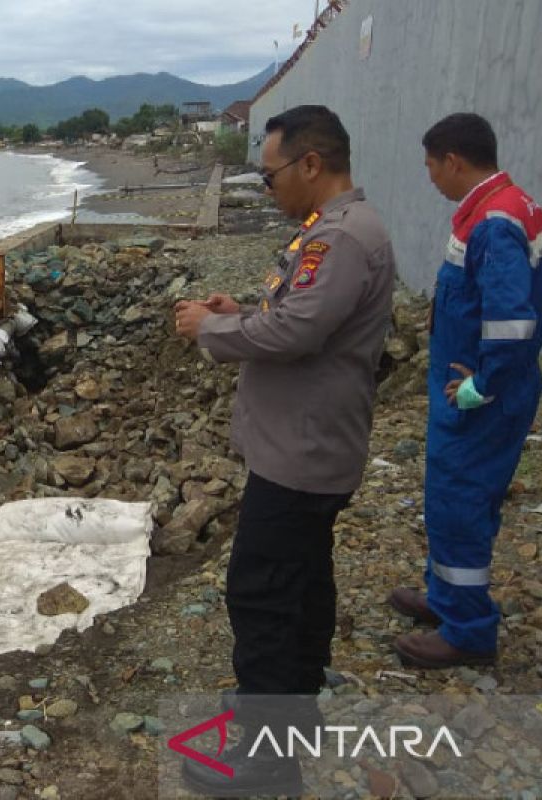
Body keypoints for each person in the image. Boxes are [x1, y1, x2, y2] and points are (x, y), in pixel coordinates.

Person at [173, 105, 395, 796]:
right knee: (301, 582)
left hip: (301, 457)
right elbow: (294, 315)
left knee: (261, 595)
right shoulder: (326, 234)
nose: (266, 189)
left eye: (269, 176)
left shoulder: (343, 239)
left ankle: (267, 764)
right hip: (304, 450)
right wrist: (238, 311)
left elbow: (296, 333)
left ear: (310, 164)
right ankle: (294, 706)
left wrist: (211, 329)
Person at [390, 113, 542, 668]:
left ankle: (467, 632)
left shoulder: (494, 223)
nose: (432, 178)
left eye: (432, 167)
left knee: (458, 503)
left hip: (482, 397)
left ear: (453, 160)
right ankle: (446, 599)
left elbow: (512, 323)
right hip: (480, 389)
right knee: (452, 502)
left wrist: (478, 388)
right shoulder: (509, 207)